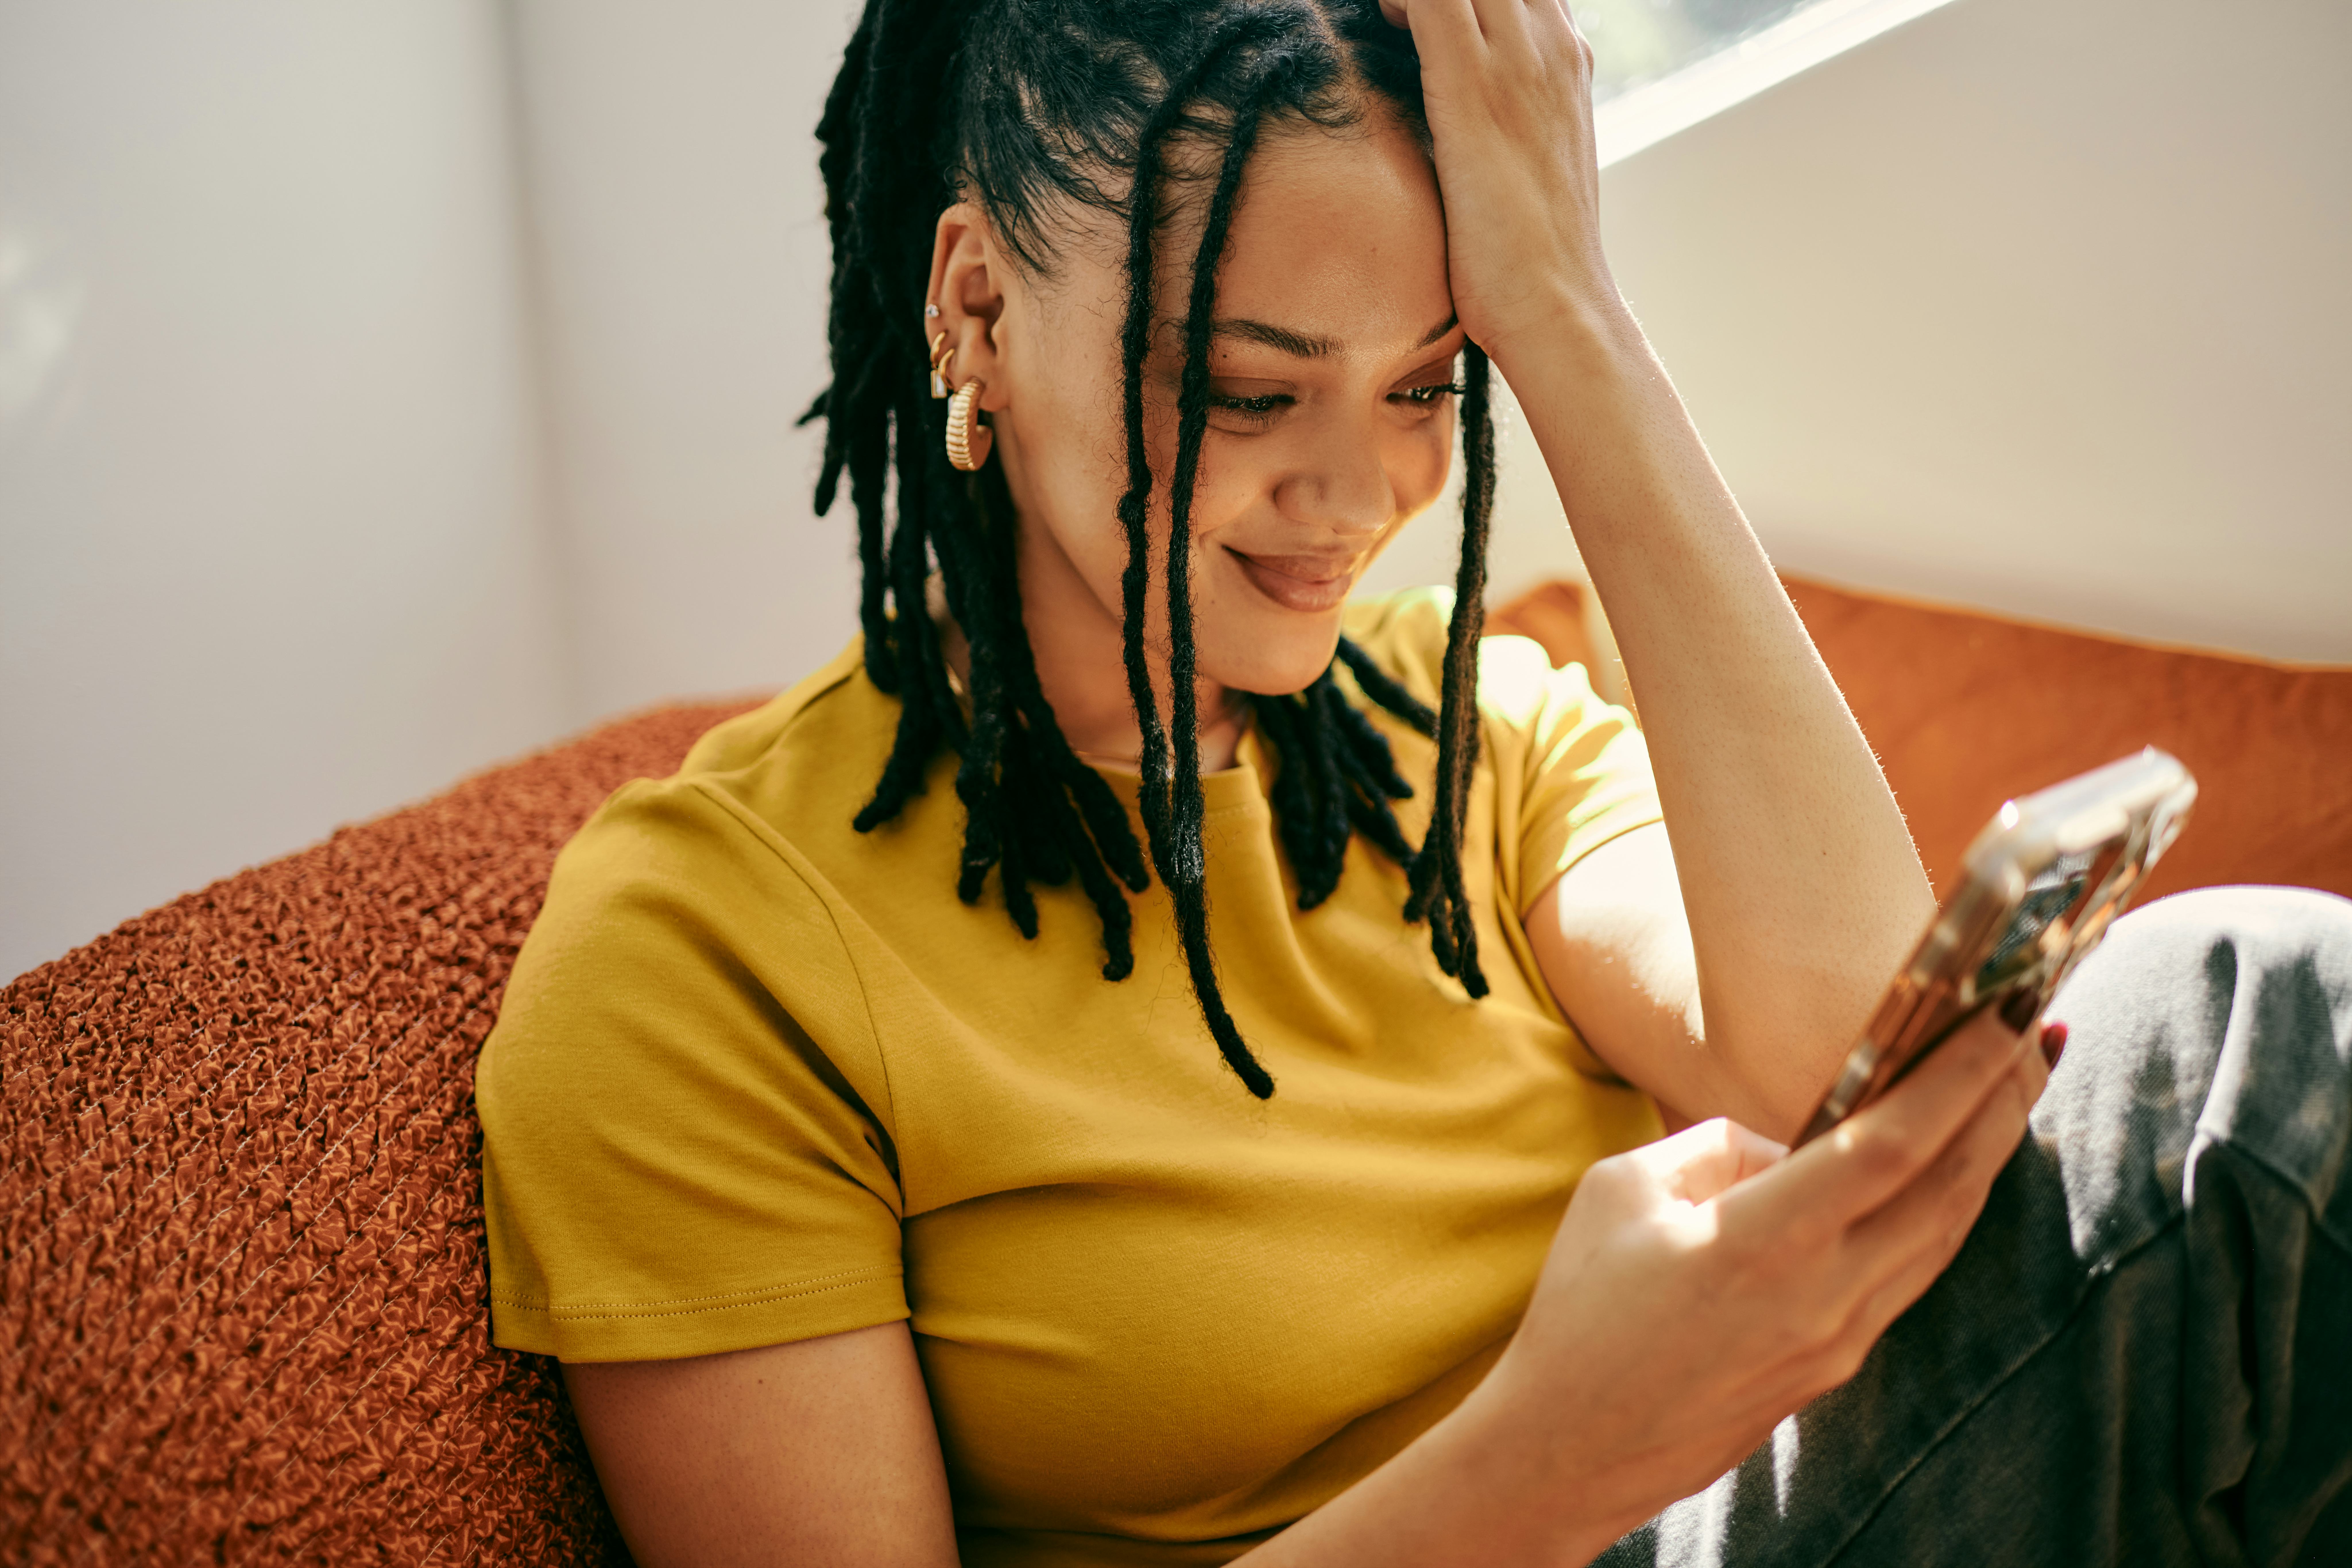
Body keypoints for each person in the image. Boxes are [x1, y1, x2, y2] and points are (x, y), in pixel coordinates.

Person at [472, 1, 2352, 1563]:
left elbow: (1839, 1068)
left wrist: (1572, 318)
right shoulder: (699, 958)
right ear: (975, 307)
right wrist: (1554, 1454)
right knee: (2251, 1033)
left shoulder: (1467, 729)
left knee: (2226, 1012)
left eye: (1430, 383)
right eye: (1249, 387)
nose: (1360, 494)